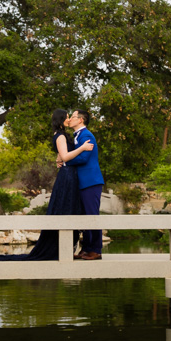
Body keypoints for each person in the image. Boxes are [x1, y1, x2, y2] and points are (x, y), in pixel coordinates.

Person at [0, 109, 93, 261]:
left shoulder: (64, 136)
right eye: (67, 116)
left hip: (71, 174)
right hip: (67, 176)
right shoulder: (60, 136)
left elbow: (61, 155)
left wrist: (60, 157)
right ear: (61, 119)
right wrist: (82, 148)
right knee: (65, 207)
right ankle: (57, 248)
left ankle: (68, 247)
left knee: (70, 207)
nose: (69, 119)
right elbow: (65, 156)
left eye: (71, 116)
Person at [64, 108, 105, 260]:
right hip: (82, 182)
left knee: (92, 215)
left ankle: (95, 250)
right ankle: (86, 248)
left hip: (91, 181)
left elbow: (83, 158)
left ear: (81, 119)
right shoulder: (78, 136)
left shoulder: (87, 135)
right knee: (83, 215)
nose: (70, 119)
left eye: (73, 116)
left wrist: (65, 161)